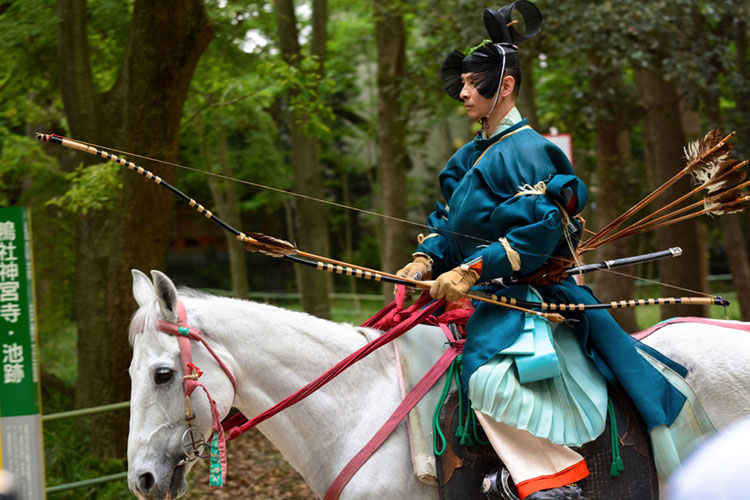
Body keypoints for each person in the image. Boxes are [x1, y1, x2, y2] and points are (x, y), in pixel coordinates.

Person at [396, 2, 697, 499]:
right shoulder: (468, 154)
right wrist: (426, 258)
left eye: (474, 84)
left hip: (529, 300)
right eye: (465, 84)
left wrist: (471, 270)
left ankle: (553, 481)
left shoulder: (530, 150)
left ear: (506, 87)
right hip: (487, 298)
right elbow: (445, 217)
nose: (464, 93)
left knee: (487, 379)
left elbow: (535, 233)